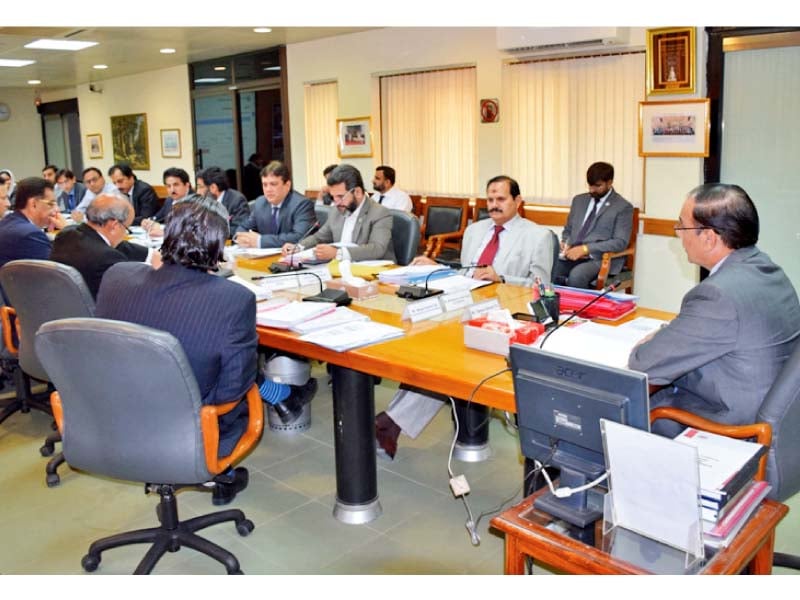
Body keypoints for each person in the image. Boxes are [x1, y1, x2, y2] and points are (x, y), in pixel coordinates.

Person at [95, 199, 314, 505]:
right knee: (234, 375)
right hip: (193, 429)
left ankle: (283, 396)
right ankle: (282, 397)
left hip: (110, 417)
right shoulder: (231, 299)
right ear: (217, 248)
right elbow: (232, 390)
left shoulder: (117, 276)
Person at [376, 175, 554, 458]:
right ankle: (390, 423)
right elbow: (466, 273)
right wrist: (437, 267)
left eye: (501, 200)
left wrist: (503, 277)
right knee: (426, 348)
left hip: (504, 316)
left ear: (518, 202)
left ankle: (390, 423)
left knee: (447, 359)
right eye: (490, 200)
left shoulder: (538, 235)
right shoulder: (476, 230)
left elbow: (542, 287)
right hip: (462, 306)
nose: (493, 206)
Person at [629, 183, 800, 437]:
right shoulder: (769, 270)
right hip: (777, 421)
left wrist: (654, 340)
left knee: (625, 408)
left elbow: (642, 365)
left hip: (731, 424)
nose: (678, 233)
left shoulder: (718, 295)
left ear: (709, 238)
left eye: (681, 225)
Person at [49, 193, 158, 298]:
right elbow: (132, 294)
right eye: (126, 228)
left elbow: (116, 244)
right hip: (96, 313)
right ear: (114, 225)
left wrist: (151, 253)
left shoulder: (66, 234)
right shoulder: (108, 258)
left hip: (61, 305)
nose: (125, 233)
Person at [281, 164, 395, 262]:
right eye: (333, 197)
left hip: (376, 275)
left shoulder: (380, 213)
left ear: (358, 192)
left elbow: (377, 249)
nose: (336, 202)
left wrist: (338, 253)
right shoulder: (336, 210)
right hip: (342, 270)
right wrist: (299, 247)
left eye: (340, 196)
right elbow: (319, 237)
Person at [552, 162, 634, 289]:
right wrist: (565, 242)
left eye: (597, 186)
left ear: (610, 182)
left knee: (577, 275)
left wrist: (586, 249)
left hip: (600, 258)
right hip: (572, 254)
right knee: (549, 267)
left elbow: (620, 242)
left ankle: (578, 309)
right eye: (590, 185)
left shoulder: (622, 207)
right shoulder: (579, 201)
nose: (592, 190)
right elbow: (568, 229)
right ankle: (554, 307)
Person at [0, 178, 62, 300]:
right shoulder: (29, 234)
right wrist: (67, 231)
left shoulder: (8, 223)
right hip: (28, 309)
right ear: (33, 204)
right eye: (51, 204)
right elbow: (61, 275)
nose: (57, 210)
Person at [235, 160, 315, 249]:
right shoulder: (260, 202)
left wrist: (260, 241)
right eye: (265, 185)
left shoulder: (302, 204)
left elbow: (300, 237)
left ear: (287, 185)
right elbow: (243, 227)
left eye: (273, 184)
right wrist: (243, 238)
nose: (268, 189)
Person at [141, 167, 201, 238]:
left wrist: (166, 233)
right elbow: (158, 217)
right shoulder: (169, 200)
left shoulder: (197, 202)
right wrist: (148, 222)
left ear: (187, 185)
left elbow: (194, 230)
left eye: (176, 185)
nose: (172, 190)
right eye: (168, 186)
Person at [198, 166, 251, 234]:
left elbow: (239, 228)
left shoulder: (237, 200)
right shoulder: (204, 202)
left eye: (201, 187)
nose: (198, 192)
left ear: (213, 187)